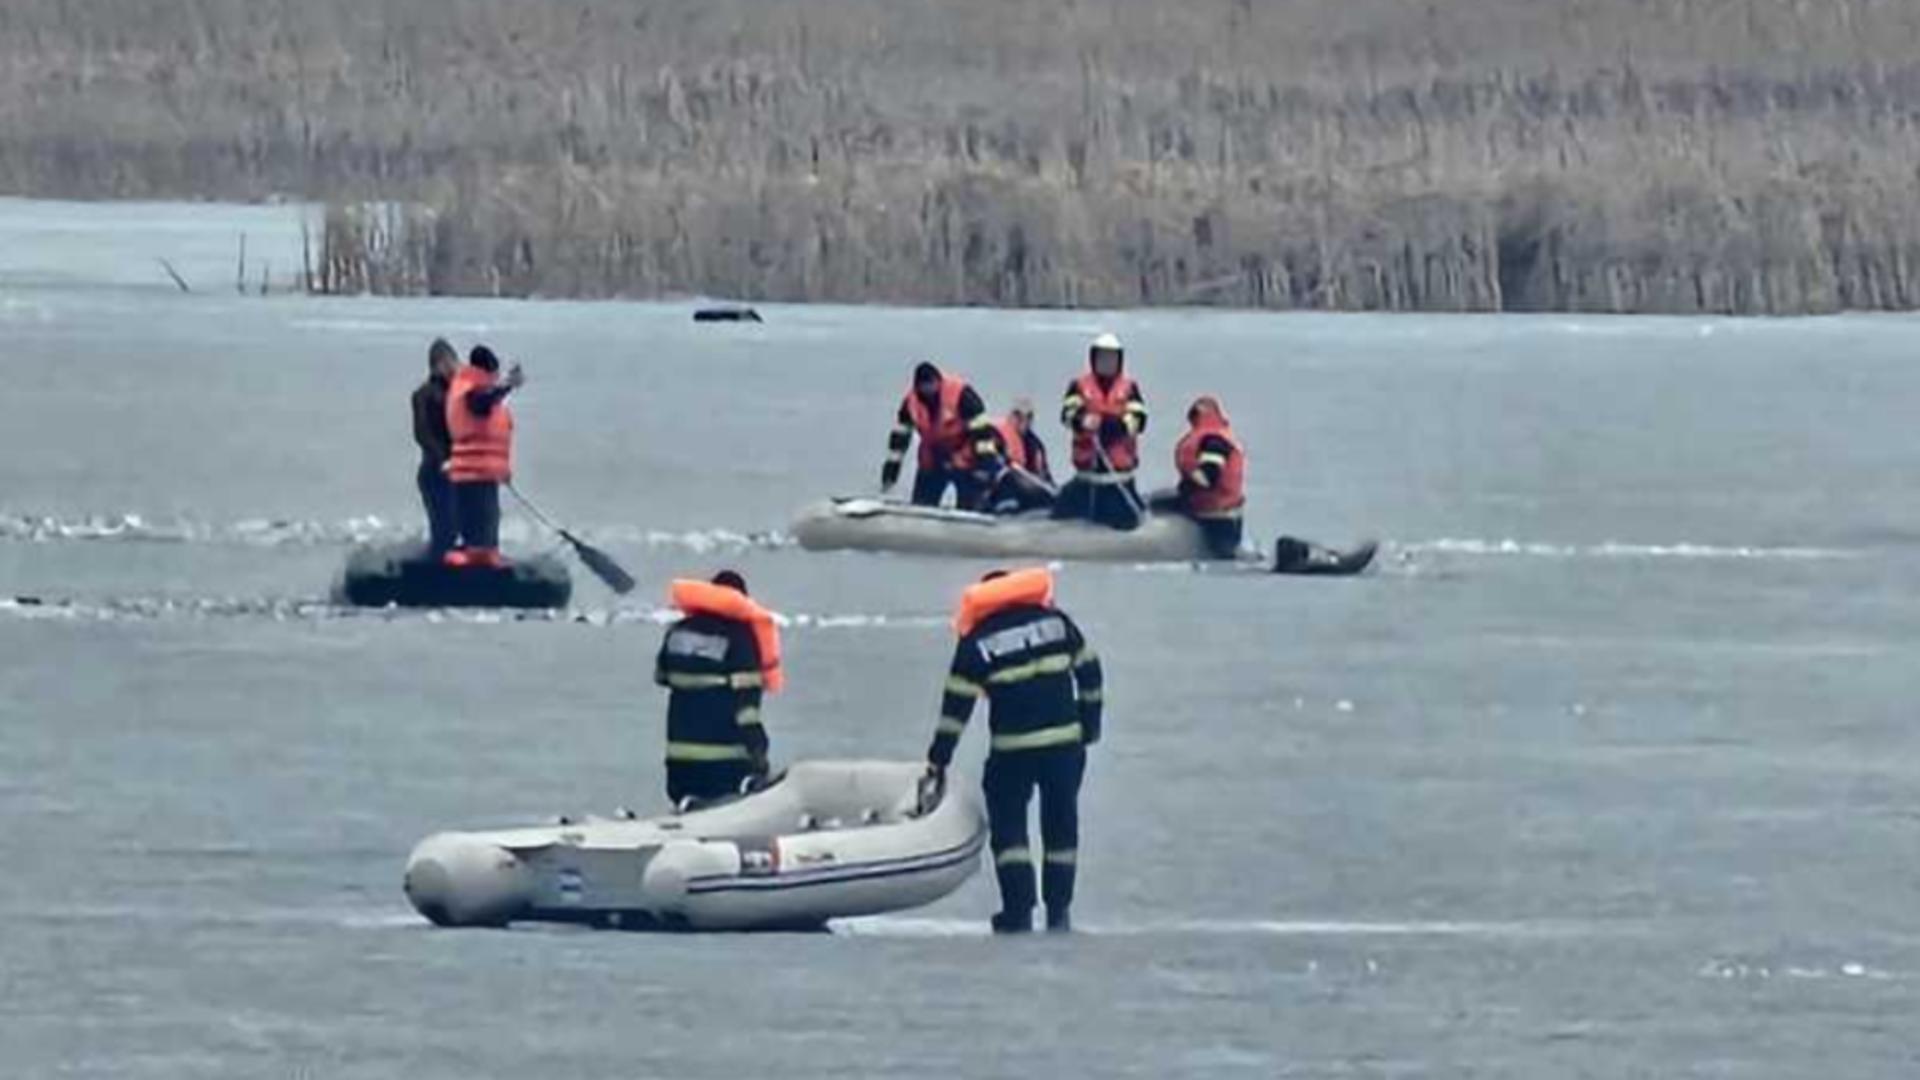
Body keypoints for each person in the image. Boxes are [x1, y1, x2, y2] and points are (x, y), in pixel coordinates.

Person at [925, 568, 1103, 933]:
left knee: (1010, 832)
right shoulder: (1058, 624)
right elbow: (1091, 673)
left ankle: (1018, 912)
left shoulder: (977, 642)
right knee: (1061, 829)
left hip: (1013, 750)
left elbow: (956, 708)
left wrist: (938, 759)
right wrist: (1089, 728)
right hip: (1064, 747)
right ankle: (1059, 913)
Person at [654, 571, 783, 806]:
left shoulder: (677, 632)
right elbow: (747, 709)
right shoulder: (740, 637)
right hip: (725, 765)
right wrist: (759, 752)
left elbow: (661, 676)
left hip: (679, 763)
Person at [1051, 332, 1147, 530]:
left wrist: (1117, 427)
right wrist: (1082, 420)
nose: (1107, 363)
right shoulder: (1078, 386)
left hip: (1117, 478)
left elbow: (1139, 418)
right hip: (1087, 477)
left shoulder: (1130, 388)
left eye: (1111, 358)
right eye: (1102, 357)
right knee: (1058, 515)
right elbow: (1067, 414)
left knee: (1128, 520)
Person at [443, 345, 524, 568]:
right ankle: (476, 558)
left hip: (482, 470)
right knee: (480, 516)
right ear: (488, 371)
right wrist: (507, 385)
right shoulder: (471, 390)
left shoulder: (469, 387)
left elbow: (489, 399)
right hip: (473, 470)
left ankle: (485, 553)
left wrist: (508, 386)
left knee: (488, 516)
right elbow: (481, 401)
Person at [881, 361, 1002, 510]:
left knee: (970, 505)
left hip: (964, 456)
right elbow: (900, 439)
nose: (928, 389)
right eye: (923, 386)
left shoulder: (962, 394)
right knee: (922, 504)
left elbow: (983, 432)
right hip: (933, 456)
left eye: (931, 384)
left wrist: (986, 466)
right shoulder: (911, 403)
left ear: (938, 381)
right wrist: (891, 470)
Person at [1157, 395, 1247, 559]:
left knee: (1222, 554)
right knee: (1155, 502)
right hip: (1206, 507)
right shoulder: (1211, 436)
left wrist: (1188, 487)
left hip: (1217, 515)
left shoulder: (1214, 441)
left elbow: (1209, 475)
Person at [410, 339, 460, 556]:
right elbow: (422, 434)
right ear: (437, 365)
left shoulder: (463, 396)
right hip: (435, 473)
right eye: (448, 363)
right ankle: (437, 573)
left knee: (469, 527)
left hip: (463, 473)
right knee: (444, 529)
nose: (454, 368)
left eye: (455, 363)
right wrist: (443, 459)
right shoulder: (423, 395)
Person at [984, 398, 1056, 514]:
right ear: (1011, 415)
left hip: (1026, 493)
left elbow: (1045, 476)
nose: (1023, 421)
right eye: (1018, 415)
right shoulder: (994, 433)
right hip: (997, 487)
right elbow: (987, 459)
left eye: (1028, 417)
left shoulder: (1035, 446)